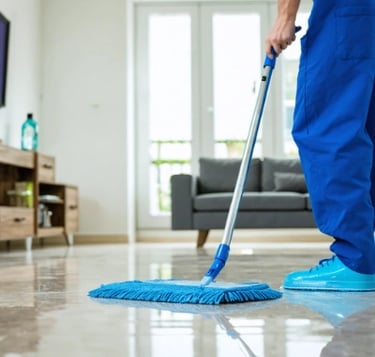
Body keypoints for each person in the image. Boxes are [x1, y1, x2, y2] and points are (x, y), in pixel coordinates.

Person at [265, 0, 375, 290]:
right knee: (366, 126)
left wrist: (285, 15)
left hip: (350, 13)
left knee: (329, 128)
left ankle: (355, 260)